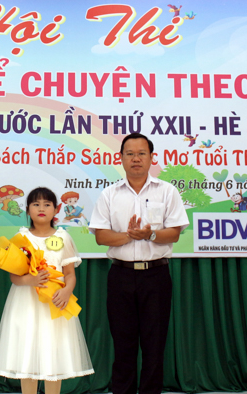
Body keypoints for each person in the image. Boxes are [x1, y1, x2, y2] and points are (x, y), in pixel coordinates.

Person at [89, 133, 189, 394]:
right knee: (123, 346)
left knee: (154, 346)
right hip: (120, 277)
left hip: (155, 276)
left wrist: (150, 235)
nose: (136, 159)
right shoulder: (109, 194)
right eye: (130, 154)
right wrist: (129, 236)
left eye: (141, 153)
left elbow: (175, 232)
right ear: (120, 158)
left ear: (151, 158)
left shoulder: (167, 191)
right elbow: (101, 236)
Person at [0, 187, 94, 394]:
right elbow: (14, 277)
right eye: (36, 204)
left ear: (56, 210)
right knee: (26, 354)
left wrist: (66, 292)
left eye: (47, 204)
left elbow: (70, 274)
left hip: (54, 305)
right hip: (25, 305)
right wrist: (31, 279)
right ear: (27, 210)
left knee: (52, 355)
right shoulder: (21, 238)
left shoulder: (63, 237)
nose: (41, 208)